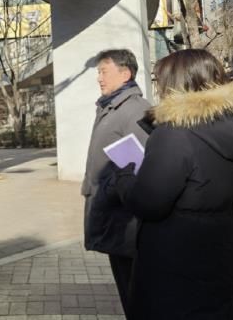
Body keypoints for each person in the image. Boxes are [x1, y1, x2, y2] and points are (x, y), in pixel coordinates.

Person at [114, 49, 233, 319]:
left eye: (161, 80)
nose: (159, 88)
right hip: (221, 245)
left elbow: (149, 203)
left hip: (175, 253)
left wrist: (125, 179)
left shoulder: (175, 132)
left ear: (176, 83)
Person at [82, 49, 150, 317]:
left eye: (104, 71)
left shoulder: (134, 110)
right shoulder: (111, 106)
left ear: (125, 74)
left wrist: (110, 189)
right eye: (98, 72)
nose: (99, 78)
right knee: (127, 289)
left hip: (126, 219)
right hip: (114, 212)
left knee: (137, 293)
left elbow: (142, 167)